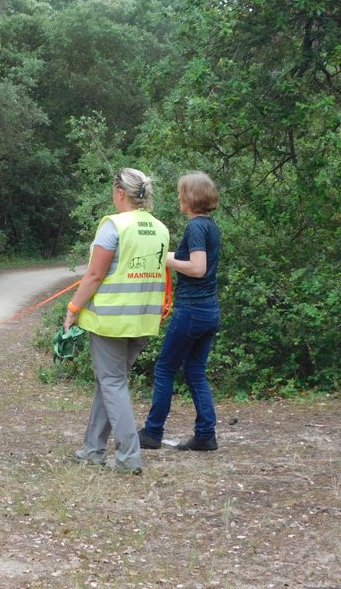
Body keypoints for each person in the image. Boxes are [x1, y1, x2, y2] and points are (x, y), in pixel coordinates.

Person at [64, 168, 170, 475]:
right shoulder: (160, 228)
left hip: (111, 321)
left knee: (111, 382)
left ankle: (128, 458)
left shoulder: (114, 226)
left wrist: (73, 308)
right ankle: (93, 450)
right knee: (109, 383)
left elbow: (95, 275)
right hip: (144, 321)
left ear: (119, 193)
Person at [138, 171, 222, 452]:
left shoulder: (196, 227)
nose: (178, 197)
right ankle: (205, 435)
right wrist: (162, 256)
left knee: (164, 369)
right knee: (196, 371)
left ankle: (152, 431)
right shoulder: (210, 226)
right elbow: (193, 260)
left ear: (190, 197)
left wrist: (168, 263)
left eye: (180, 192)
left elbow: (197, 268)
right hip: (209, 310)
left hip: (192, 311)